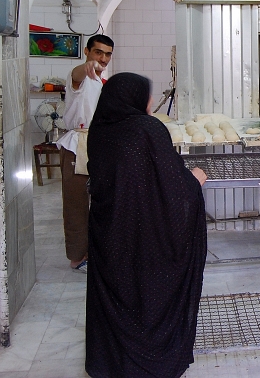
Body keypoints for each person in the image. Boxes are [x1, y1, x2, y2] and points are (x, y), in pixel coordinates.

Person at [85, 73, 208, 378]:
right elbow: (172, 183)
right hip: (143, 236)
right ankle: (150, 359)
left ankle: (112, 362)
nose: (151, 101)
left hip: (108, 233)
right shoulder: (147, 129)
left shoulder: (98, 130)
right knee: (145, 294)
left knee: (116, 296)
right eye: (147, 95)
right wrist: (195, 180)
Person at [55, 34, 114, 273]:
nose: (103, 58)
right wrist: (85, 67)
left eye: (108, 54)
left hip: (96, 146)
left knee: (98, 202)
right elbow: (76, 76)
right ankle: (77, 258)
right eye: (98, 52)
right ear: (87, 51)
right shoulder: (79, 77)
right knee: (76, 204)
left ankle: (92, 251)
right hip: (76, 147)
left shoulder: (100, 82)